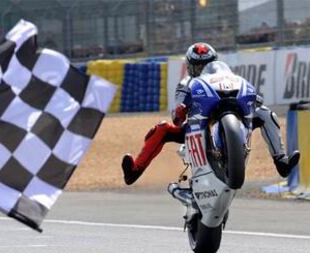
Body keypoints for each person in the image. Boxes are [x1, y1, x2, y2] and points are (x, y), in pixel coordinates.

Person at [121, 42, 300, 185]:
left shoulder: (228, 78)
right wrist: (181, 110)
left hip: (226, 112)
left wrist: (253, 99)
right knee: (161, 128)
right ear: (190, 67)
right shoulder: (186, 84)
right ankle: (134, 171)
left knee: (266, 114)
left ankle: (281, 162)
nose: (201, 70)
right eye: (197, 67)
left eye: (205, 65)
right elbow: (176, 117)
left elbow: (254, 99)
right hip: (195, 127)